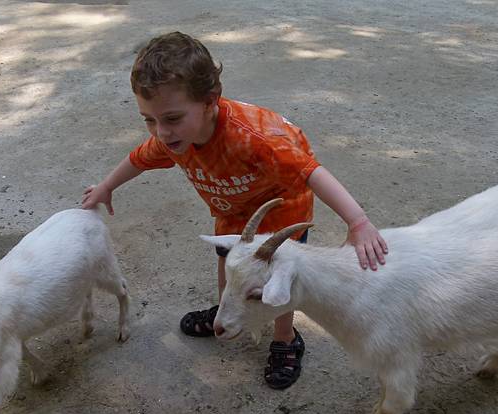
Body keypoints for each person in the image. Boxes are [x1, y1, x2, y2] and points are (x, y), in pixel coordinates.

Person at [81, 32, 387, 390]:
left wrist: (358, 221)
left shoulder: (255, 140)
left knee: (274, 282)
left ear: (210, 102)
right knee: (229, 266)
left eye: (171, 119)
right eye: (149, 120)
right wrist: (106, 187)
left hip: (281, 209)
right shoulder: (175, 136)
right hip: (234, 211)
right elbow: (139, 159)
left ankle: (286, 339)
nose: (161, 132)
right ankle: (228, 311)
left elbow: (312, 172)